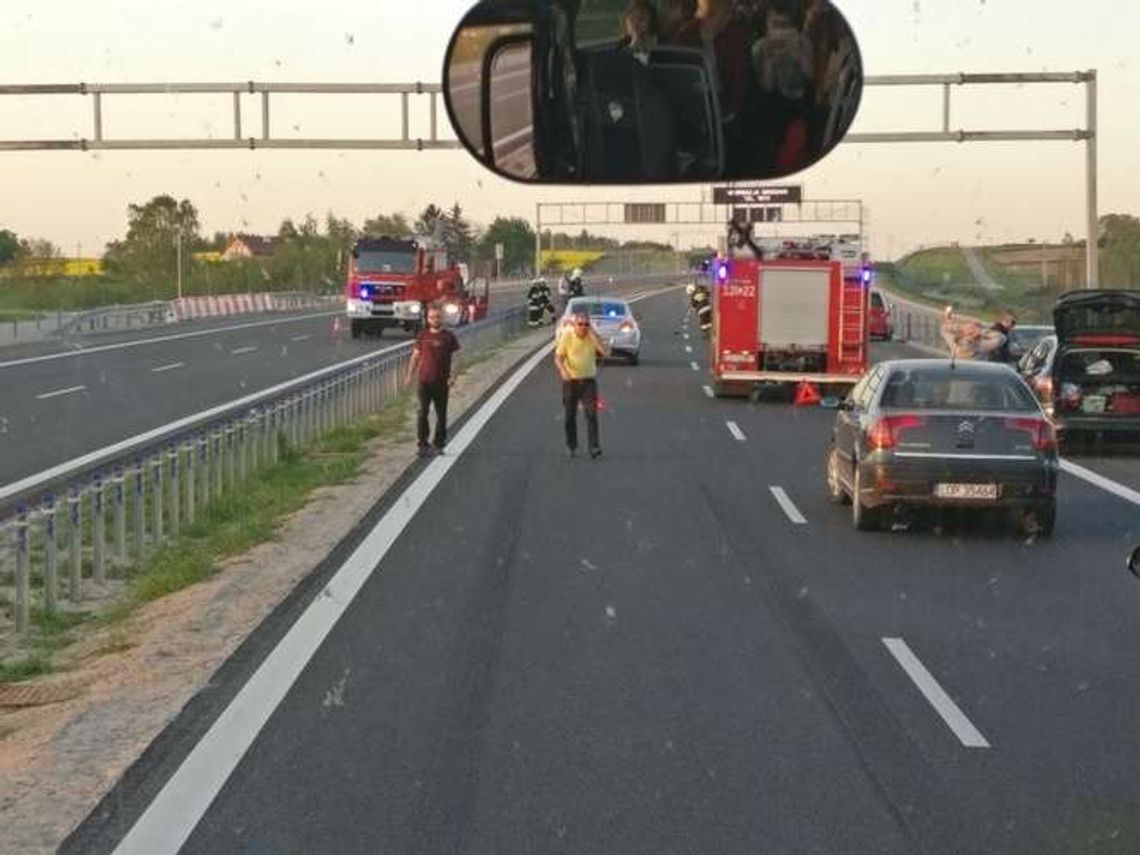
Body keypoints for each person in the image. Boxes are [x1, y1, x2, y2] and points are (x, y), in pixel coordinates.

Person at [404, 305, 461, 457]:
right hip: (424, 381)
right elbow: (415, 357)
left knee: (441, 415)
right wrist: (409, 375)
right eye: (432, 317)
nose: (435, 320)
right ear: (427, 319)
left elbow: (456, 358)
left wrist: (453, 376)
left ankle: (439, 444)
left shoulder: (449, 337)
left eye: (437, 317)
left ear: (441, 318)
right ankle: (423, 444)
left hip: (442, 383)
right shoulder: (422, 336)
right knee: (422, 412)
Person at [554, 310, 611, 459]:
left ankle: (594, 447)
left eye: (586, 324)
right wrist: (563, 372)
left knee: (591, 414)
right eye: (580, 324)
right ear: (574, 325)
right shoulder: (568, 336)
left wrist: (595, 335)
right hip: (571, 382)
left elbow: (606, 353)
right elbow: (558, 358)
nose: (583, 327)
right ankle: (571, 445)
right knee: (569, 416)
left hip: (588, 382)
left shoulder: (592, 337)